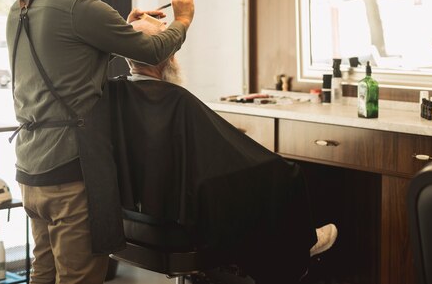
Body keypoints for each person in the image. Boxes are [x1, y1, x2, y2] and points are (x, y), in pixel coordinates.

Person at [5, 0, 194, 284]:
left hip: (30, 172)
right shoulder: (78, 6)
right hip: (70, 172)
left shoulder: (20, 6)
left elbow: (67, 56)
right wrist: (183, 20)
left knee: (44, 273)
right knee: (79, 278)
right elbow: (154, 51)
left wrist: (121, 26)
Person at [108, 17, 338, 284]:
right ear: (166, 57)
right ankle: (299, 244)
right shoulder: (176, 99)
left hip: (134, 221)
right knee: (284, 172)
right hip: (179, 225)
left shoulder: (115, 92)